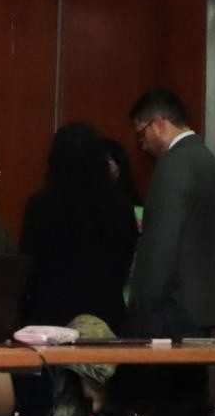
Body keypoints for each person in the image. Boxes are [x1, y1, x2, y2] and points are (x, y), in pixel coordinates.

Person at [125, 88, 215, 339]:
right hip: (201, 309)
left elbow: (160, 244)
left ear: (159, 124)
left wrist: (139, 308)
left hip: (169, 313)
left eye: (141, 135)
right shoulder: (210, 163)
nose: (143, 145)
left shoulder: (172, 164)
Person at [18, 122, 138, 332]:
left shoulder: (41, 204)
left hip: (51, 316)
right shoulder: (121, 206)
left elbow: (28, 264)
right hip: (106, 314)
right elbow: (125, 259)